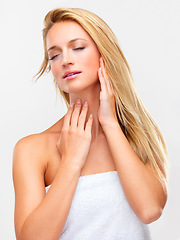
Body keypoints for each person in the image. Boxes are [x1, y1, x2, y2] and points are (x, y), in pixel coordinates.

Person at [12, 7, 168, 240]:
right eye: (54, 55)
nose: (65, 60)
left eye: (77, 48)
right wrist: (71, 162)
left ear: (104, 55)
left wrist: (111, 125)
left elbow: (150, 210)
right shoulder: (32, 150)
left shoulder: (137, 136)